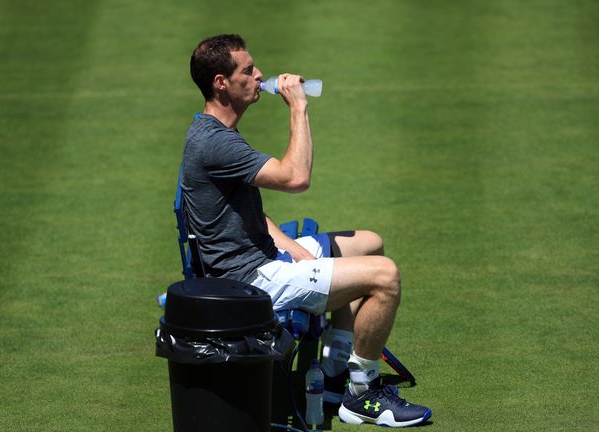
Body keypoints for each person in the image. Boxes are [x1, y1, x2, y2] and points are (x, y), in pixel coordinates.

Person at [181, 34, 432, 427]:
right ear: (220, 83)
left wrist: (290, 247)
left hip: (263, 255)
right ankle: (361, 395)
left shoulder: (214, 133)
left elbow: (234, 212)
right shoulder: (214, 143)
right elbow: (296, 178)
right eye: (248, 70)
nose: (260, 74)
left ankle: (336, 362)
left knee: (369, 243)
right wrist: (298, 107)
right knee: (385, 275)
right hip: (251, 281)